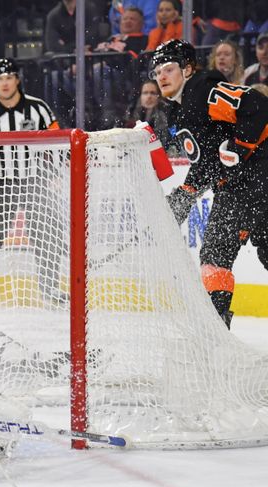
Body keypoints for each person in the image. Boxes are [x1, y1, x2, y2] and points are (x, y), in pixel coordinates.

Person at [153, 40, 268, 328]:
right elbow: (207, 165)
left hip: (257, 176)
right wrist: (187, 192)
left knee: (237, 251)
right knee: (237, 252)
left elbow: (258, 104)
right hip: (241, 183)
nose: (161, 76)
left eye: (168, 68)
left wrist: (241, 146)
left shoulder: (204, 89)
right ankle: (216, 329)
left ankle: (215, 328)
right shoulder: (178, 110)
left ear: (188, 69)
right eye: (157, 72)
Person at [0, 58, 60, 297]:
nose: (4, 83)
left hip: (36, 184)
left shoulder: (38, 109)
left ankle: (49, 289)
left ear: (17, 79)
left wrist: (53, 176)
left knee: (47, 236)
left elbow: (58, 144)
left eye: (9, 77)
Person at [123, 79, 175, 153]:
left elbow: (166, 140)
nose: (149, 96)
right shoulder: (131, 112)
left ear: (158, 96)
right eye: (145, 93)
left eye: (153, 93)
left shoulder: (166, 113)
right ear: (140, 95)